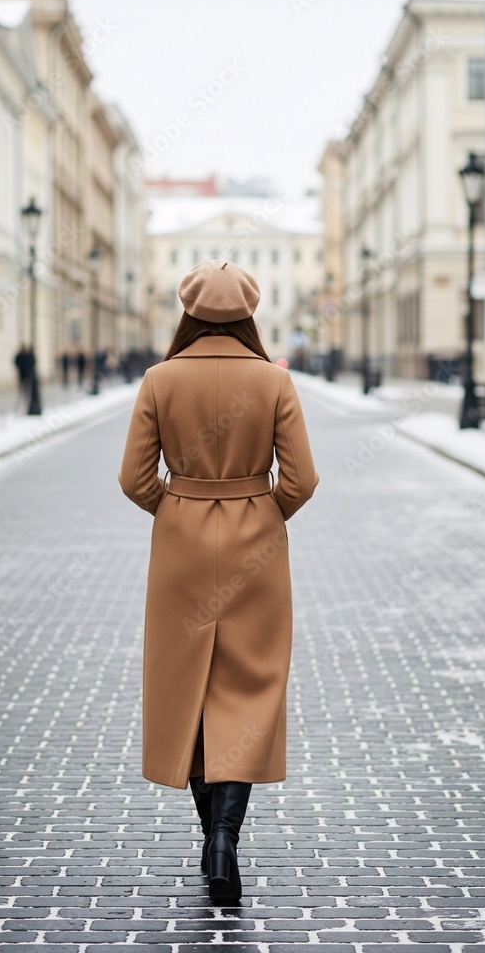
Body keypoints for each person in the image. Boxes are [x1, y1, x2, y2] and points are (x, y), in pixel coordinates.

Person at [118, 260, 319, 903]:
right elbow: (302, 480)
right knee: (248, 686)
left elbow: (134, 479)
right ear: (249, 315)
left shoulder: (158, 379)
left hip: (180, 543)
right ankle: (225, 841)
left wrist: (178, 510)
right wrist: (259, 513)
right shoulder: (272, 381)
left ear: (189, 313)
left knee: (189, 687)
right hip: (255, 543)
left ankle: (211, 836)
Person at [14, 343, 31, 409]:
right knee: (22, 390)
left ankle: (24, 403)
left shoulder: (25, 356)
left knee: (25, 390)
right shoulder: (20, 356)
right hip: (23, 376)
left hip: (25, 376)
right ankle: (21, 403)